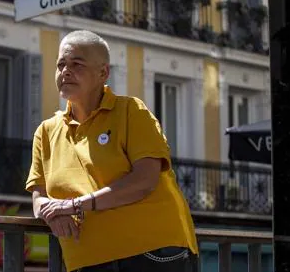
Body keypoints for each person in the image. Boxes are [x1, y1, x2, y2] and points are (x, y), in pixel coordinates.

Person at [26, 30, 198, 272]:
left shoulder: (131, 111)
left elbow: (144, 181)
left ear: (103, 73)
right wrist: (51, 213)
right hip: (88, 260)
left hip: (151, 253)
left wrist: (72, 206)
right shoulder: (45, 132)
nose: (66, 71)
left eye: (77, 64)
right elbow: (38, 198)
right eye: (61, 64)